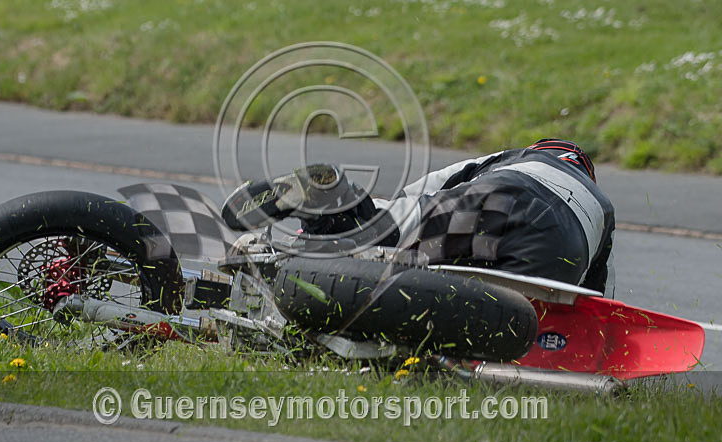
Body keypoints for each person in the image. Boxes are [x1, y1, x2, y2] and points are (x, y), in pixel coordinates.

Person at [221, 139, 615, 297]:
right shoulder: (603, 204)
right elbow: (596, 297)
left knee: (383, 236)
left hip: (504, 199)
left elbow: (421, 194)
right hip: (566, 246)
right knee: (508, 305)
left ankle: (333, 199)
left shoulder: (516, 160)